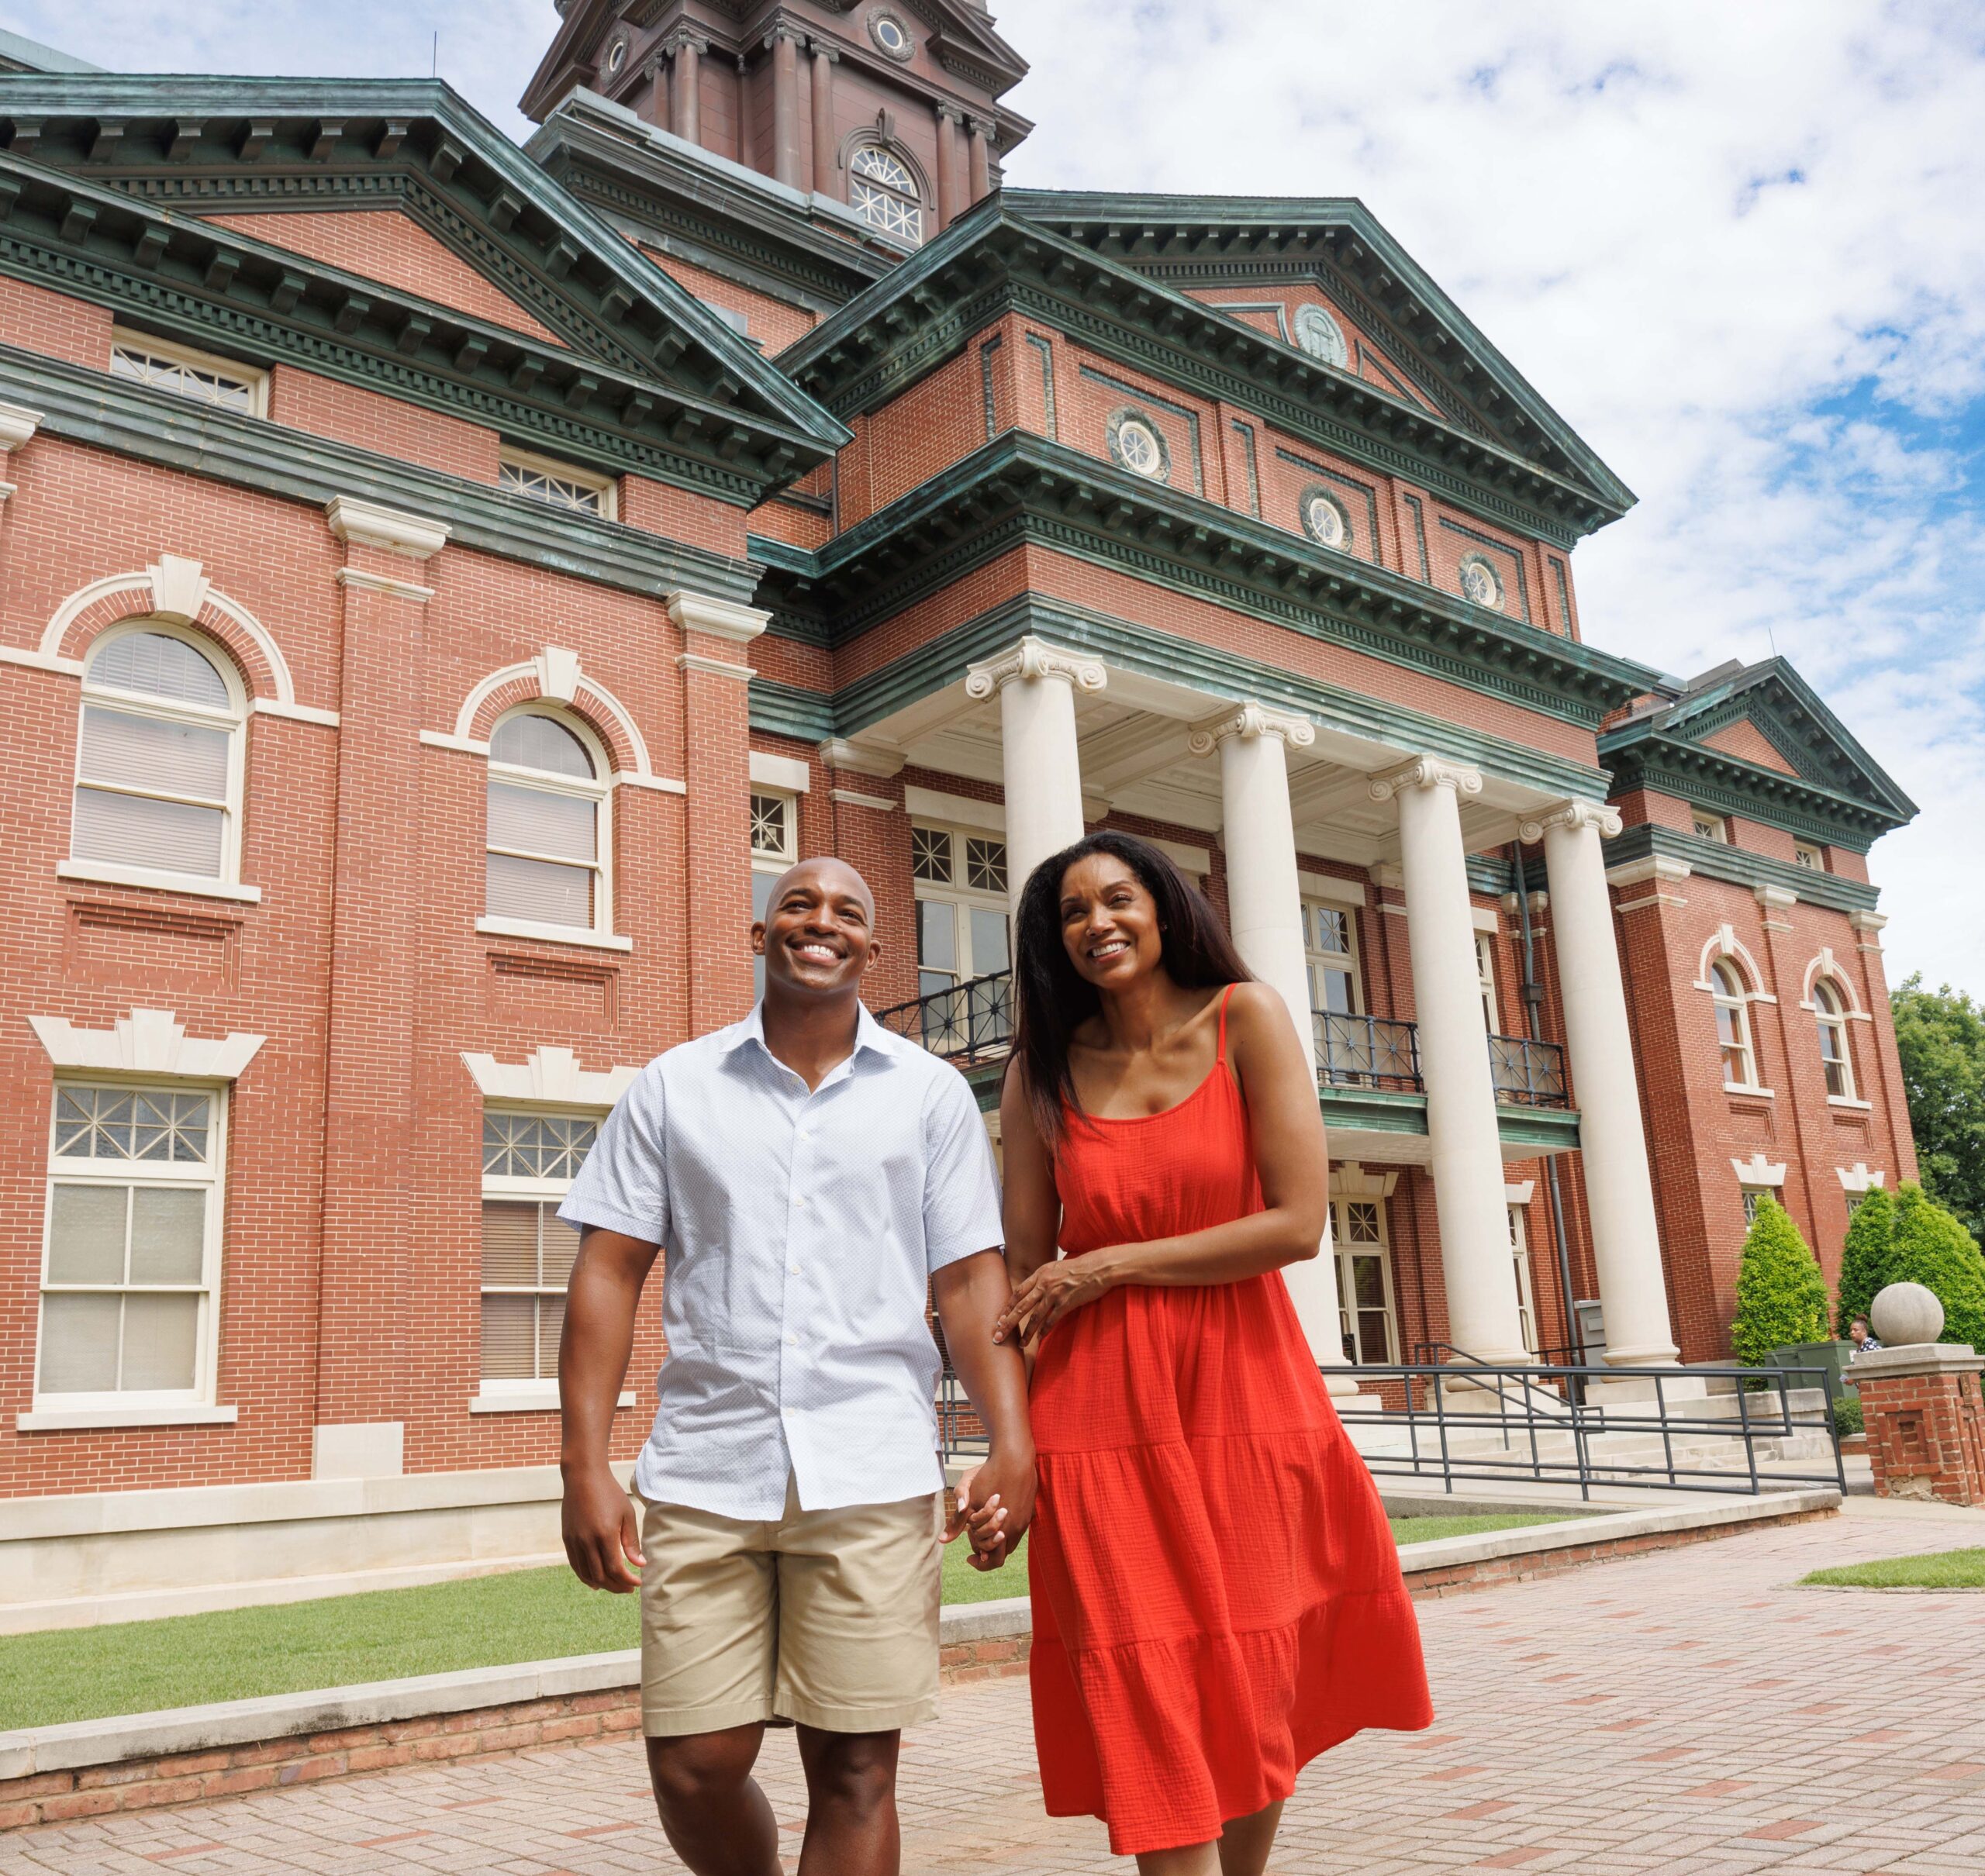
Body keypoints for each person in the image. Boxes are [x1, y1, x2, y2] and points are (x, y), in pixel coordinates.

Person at [558, 855, 1034, 1876]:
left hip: (874, 1464)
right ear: (762, 935)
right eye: (798, 905)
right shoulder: (676, 1087)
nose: (822, 923)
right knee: (694, 1763)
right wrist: (583, 1464)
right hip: (707, 1467)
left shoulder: (930, 1095)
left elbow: (968, 1280)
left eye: (847, 912)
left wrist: (1012, 1441)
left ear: (871, 945)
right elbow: (608, 1270)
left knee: (857, 1770)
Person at [993, 831, 1432, 1874]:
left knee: (1252, 1670)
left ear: (1164, 907)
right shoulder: (1040, 1075)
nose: (1097, 923)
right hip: (1095, 1422)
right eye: (1071, 913)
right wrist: (1005, 1448)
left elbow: (1295, 1225)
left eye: (1118, 899)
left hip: (1249, 1397)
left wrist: (1106, 1267)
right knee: (1144, 1675)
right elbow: (1018, 1279)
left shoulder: (1247, 1019)